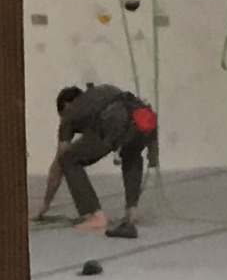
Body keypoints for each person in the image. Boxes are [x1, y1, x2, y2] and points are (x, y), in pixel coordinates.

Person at [37, 81, 158, 239]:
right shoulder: (103, 91)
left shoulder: (70, 112)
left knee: (68, 159)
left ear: (65, 106)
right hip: (143, 119)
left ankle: (96, 215)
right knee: (131, 153)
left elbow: (58, 163)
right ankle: (132, 212)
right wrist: (153, 153)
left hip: (115, 121)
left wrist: (46, 203)